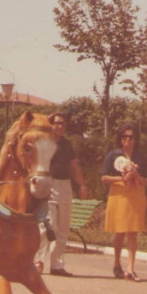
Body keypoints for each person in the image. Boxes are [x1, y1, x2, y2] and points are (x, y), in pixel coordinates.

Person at [35, 112, 89, 277]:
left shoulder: (66, 144)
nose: (60, 126)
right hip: (48, 184)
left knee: (63, 226)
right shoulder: (43, 142)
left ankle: (57, 265)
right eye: (56, 123)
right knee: (48, 225)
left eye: (62, 124)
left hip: (65, 185)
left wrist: (82, 186)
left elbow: (73, 166)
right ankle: (38, 261)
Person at [101, 122, 147, 282]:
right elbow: (104, 177)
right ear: (120, 139)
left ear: (136, 139)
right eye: (125, 137)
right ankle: (117, 264)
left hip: (136, 196)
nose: (128, 140)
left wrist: (136, 175)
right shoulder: (113, 155)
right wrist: (121, 178)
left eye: (131, 137)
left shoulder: (141, 157)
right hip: (119, 195)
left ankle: (130, 268)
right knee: (120, 232)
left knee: (133, 232)